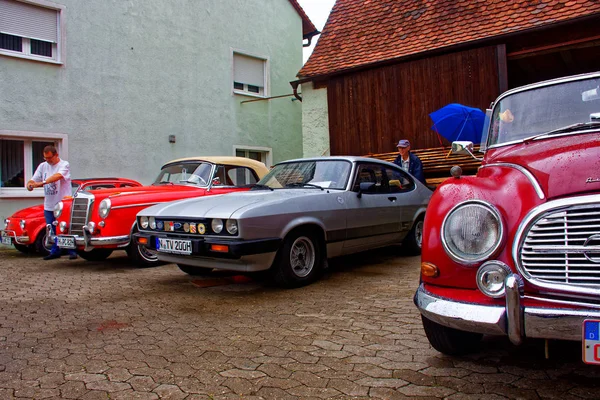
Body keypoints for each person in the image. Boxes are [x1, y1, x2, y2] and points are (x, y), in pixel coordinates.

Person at [26, 145, 77, 260]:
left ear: (56, 155)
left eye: (49, 158)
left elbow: (56, 177)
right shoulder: (43, 166)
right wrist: (30, 184)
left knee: (65, 227)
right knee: (52, 229)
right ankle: (55, 251)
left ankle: (72, 251)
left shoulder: (64, 165)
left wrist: (41, 183)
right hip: (49, 205)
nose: (48, 160)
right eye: (45, 158)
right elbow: (34, 179)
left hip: (62, 204)